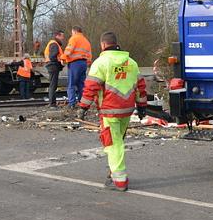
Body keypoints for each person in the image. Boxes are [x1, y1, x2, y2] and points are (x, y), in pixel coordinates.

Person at [78, 31, 147, 192]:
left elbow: (91, 88)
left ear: (103, 45)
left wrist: (83, 107)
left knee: (113, 144)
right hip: (127, 110)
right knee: (118, 140)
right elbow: (140, 88)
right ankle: (112, 173)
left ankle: (119, 180)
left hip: (109, 111)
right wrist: (142, 107)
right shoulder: (131, 63)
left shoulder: (101, 63)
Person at [62, 25, 92, 108]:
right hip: (84, 64)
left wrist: (63, 58)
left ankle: (72, 103)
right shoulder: (86, 41)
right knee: (81, 84)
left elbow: (68, 51)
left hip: (74, 63)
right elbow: (89, 54)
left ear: (74, 31)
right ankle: (82, 102)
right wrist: (88, 62)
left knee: (71, 84)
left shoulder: (74, 38)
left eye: (72, 33)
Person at [43, 30, 66, 107]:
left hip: (51, 65)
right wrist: (60, 62)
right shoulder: (54, 44)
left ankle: (52, 102)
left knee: (53, 84)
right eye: (62, 36)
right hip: (53, 66)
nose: (63, 38)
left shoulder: (53, 43)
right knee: (53, 85)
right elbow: (52, 56)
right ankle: (52, 103)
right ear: (57, 36)